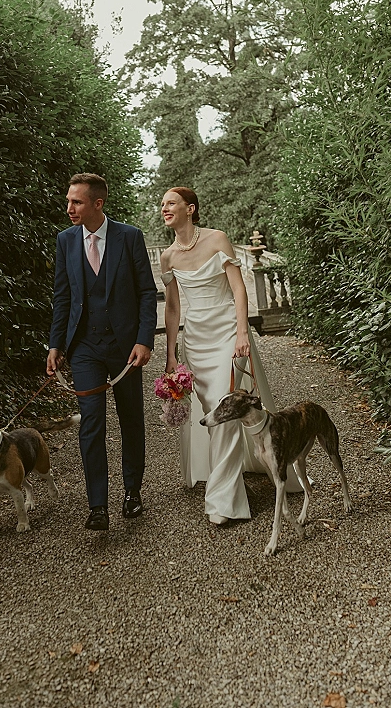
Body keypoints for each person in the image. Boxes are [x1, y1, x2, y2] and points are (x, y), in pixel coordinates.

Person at [160, 187, 301, 525]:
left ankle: (222, 502)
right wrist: (169, 353)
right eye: (162, 204)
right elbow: (174, 307)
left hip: (226, 333)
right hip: (195, 340)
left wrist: (241, 332)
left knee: (224, 412)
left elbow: (238, 287)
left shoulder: (217, 239)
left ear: (190, 208)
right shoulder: (168, 257)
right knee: (211, 413)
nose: (164, 208)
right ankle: (234, 476)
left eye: (171, 203)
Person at [47, 173, 157, 531]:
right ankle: (97, 506)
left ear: (98, 203)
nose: (69, 209)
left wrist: (145, 339)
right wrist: (56, 345)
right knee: (91, 422)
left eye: (76, 202)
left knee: (130, 418)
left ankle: (132, 492)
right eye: (68, 201)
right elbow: (62, 297)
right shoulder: (65, 241)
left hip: (126, 347)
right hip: (84, 349)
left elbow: (146, 293)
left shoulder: (130, 237)